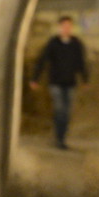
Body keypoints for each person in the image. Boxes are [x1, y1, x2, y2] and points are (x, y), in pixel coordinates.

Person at [30, 15, 88, 149]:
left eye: (69, 26)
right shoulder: (53, 43)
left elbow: (81, 63)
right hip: (55, 82)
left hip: (70, 83)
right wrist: (35, 78)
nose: (66, 29)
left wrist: (85, 79)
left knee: (66, 112)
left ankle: (61, 138)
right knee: (59, 110)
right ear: (60, 27)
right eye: (64, 26)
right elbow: (42, 60)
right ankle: (59, 138)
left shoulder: (76, 44)